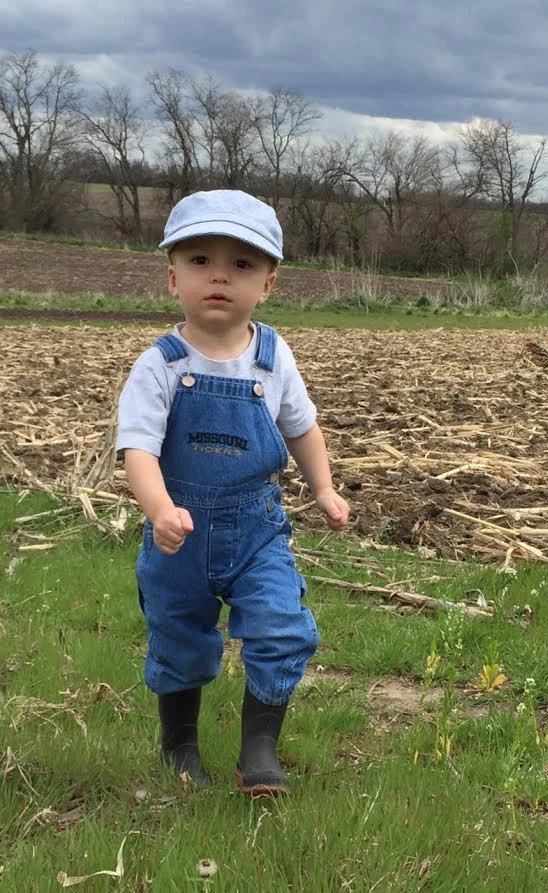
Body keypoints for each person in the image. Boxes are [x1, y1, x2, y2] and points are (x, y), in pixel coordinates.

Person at [117, 189, 350, 796]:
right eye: (200, 260)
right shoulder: (160, 366)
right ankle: (180, 746)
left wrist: (322, 488)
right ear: (173, 279)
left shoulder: (273, 360)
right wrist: (160, 509)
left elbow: (301, 427)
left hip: (257, 531)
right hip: (180, 538)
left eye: (241, 264)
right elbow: (137, 450)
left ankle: (260, 748)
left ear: (268, 283)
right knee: (179, 637)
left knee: (281, 625)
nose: (219, 275)